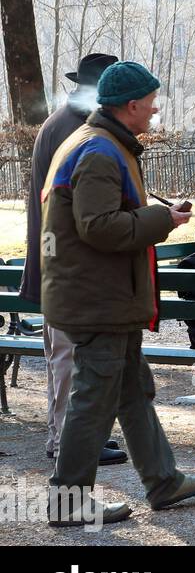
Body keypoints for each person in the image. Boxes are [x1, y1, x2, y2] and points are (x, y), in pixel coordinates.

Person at [42, 61, 195, 526]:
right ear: (132, 105)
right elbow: (98, 227)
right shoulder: (100, 151)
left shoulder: (100, 144)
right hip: (98, 299)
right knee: (93, 397)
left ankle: (163, 482)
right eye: (152, 102)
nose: (156, 109)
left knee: (132, 391)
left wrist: (155, 216)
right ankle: (67, 503)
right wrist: (164, 221)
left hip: (104, 296)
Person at [19, 52, 126, 467]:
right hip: (66, 265)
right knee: (68, 356)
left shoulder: (62, 120)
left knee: (64, 355)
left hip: (55, 260)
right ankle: (68, 444)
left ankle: (71, 438)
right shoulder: (78, 127)